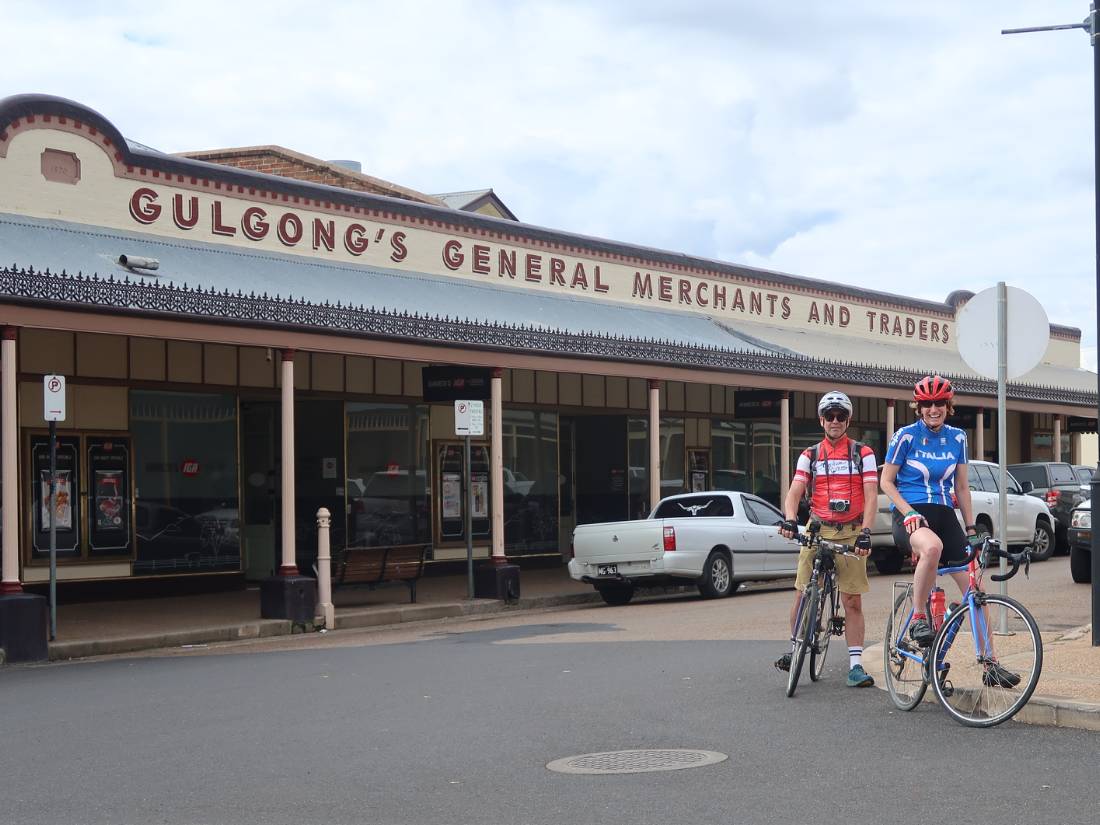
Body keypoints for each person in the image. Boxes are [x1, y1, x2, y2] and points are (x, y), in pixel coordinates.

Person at [879, 375, 1019, 688]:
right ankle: (917, 618)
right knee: (931, 549)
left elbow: (961, 487)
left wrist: (971, 528)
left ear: (947, 406)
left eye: (939, 403)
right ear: (919, 407)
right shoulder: (905, 436)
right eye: (926, 404)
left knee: (975, 591)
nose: (933, 409)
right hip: (911, 515)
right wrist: (909, 512)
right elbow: (886, 482)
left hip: (945, 514)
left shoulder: (957, 438)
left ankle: (990, 664)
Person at [775, 390, 878, 688]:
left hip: (851, 530)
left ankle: (855, 666)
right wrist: (791, 519)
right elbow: (795, 491)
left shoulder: (863, 453)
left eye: (841, 416)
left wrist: (867, 532)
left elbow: (871, 496)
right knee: (802, 592)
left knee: (852, 600)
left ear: (848, 420)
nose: (835, 421)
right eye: (830, 416)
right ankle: (795, 648)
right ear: (821, 419)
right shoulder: (810, 454)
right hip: (818, 528)